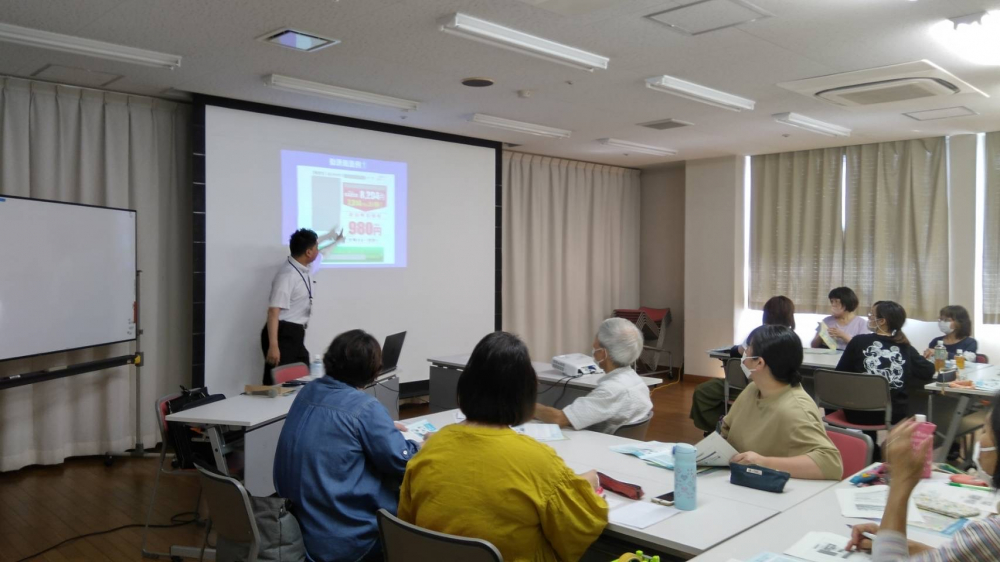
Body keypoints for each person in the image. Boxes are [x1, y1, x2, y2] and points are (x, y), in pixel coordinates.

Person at [398, 331, 608, 561]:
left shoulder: (430, 447)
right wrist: (589, 489)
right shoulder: (538, 461)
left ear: (465, 387)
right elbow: (577, 532)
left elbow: (407, 522)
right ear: (526, 392)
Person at [273, 330, 419, 562]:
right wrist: (424, 444)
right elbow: (402, 461)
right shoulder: (365, 408)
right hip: (348, 538)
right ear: (373, 370)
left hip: (298, 528)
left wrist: (380, 429)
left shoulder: (308, 391)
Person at [846, 400, 999, 561]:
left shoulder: (992, 533)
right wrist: (893, 541)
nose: (980, 440)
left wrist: (900, 482)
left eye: (985, 431)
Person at [721, 325, 843, 480]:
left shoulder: (795, 408)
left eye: (749, 348)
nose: (744, 353)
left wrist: (763, 462)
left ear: (759, 363)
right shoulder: (753, 389)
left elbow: (831, 464)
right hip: (739, 480)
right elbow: (726, 432)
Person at [689, 296, 798, 433]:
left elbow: (738, 351)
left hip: (748, 385)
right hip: (774, 387)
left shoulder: (759, 334)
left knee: (703, 391)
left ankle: (717, 428)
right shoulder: (791, 337)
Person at [534, 318, 653, 434]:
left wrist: (526, 406)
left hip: (603, 447)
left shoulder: (611, 390)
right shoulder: (637, 381)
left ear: (602, 353)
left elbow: (559, 419)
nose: (593, 352)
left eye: (595, 349)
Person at [261, 227, 343, 385]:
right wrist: (274, 346)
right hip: (282, 333)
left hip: (296, 333)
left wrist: (337, 241)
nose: (318, 251)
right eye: (316, 248)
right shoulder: (287, 276)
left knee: (302, 377)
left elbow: (324, 254)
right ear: (308, 252)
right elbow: (273, 312)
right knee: (276, 385)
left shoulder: (305, 269)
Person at [835, 301, 935, 425]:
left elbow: (839, 374)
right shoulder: (905, 347)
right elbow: (928, 371)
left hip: (857, 412)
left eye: (871, 314)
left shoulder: (858, 341)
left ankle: (867, 442)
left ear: (882, 321)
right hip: (893, 415)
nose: (869, 317)